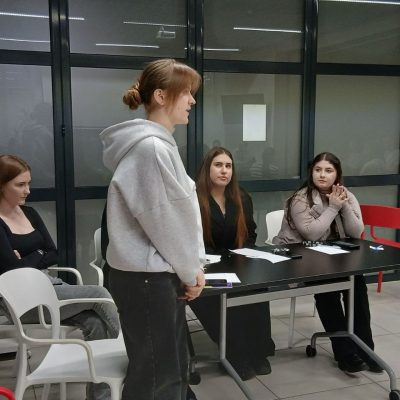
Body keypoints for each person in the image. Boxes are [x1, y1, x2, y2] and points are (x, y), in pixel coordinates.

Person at [100, 59, 206, 400]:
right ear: (161, 96)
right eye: (186, 92)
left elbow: (174, 218)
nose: (192, 100)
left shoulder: (158, 145)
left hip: (151, 276)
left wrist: (192, 267)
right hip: (148, 279)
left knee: (166, 370)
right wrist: (191, 272)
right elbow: (166, 222)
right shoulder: (151, 148)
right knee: (159, 377)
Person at [0, 154, 120, 400]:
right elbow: (12, 270)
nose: (27, 190)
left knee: (95, 323)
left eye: (28, 183)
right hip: (22, 302)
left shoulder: (30, 213)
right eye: (20, 185)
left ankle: (100, 397)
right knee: (99, 293)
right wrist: (37, 255)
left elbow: (53, 253)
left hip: (51, 286)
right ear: (1, 185)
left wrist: (28, 257)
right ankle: (131, 349)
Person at [273, 151, 382, 374]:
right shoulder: (300, 199)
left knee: (357, 286)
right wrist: (333, 207)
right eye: (318, 170)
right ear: (311, 172)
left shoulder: (346, 195)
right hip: (303, 258)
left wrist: (343, 205)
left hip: (337, 257)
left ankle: (366, 350)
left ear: (337, 174)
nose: (322, 175)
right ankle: (345, 354)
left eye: (328, 171)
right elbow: (311, 234)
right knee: (327, 291)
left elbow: (356, 232)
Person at [189, 147, 275, 381]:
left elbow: (251, 232)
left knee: (257, 288)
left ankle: (258, 351)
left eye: (228, 166)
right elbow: (190, 239)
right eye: (218, 165)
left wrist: (241, 255)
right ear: (207, 169)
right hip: (205, 268)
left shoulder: (241, 197)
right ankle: (235, 355)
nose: (224, 171)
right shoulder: (194, 198)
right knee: (223, 295)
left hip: (237, 262)